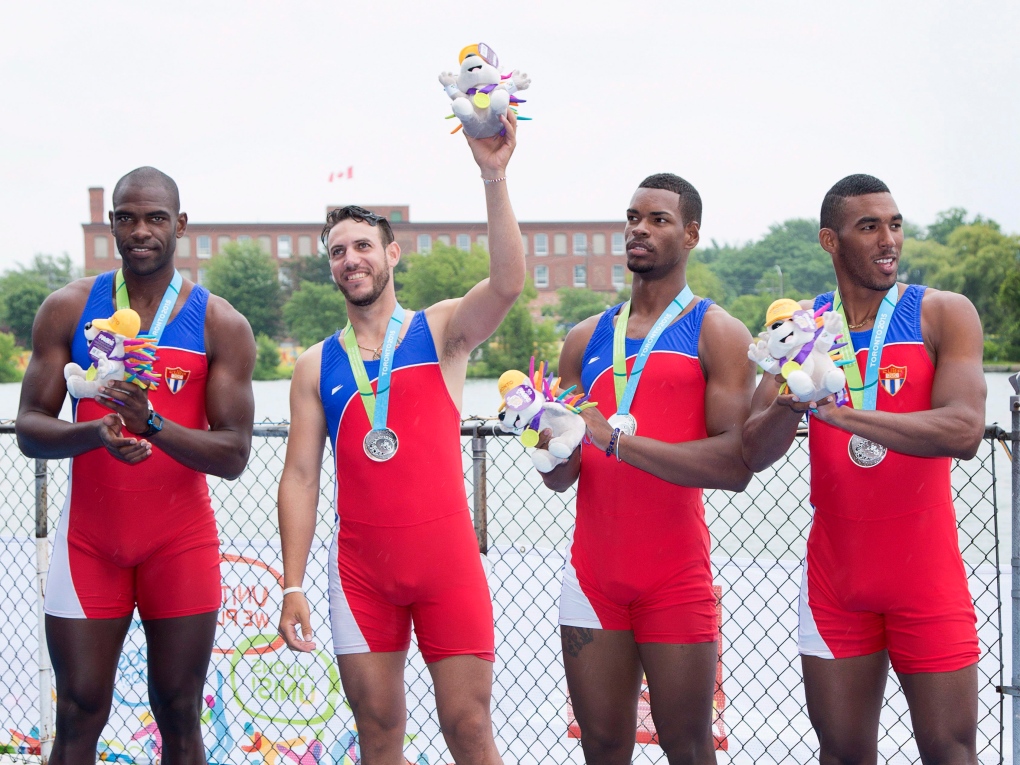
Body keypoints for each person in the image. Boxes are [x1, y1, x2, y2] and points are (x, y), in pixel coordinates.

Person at [277, 113, 523, 765]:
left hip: (446, 564)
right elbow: (300, 476)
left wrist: (493, 174)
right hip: (361, 573)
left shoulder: (439, 332)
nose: (350, 259)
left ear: (391, 253)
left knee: (468, 728)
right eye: (337, 251)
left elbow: (506, 283)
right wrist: (291, 583)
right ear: (329, 267)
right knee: (379, 734)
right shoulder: (314, 365)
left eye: (362, 245)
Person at [16, 166, 256, 765]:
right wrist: (96, 432)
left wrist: (152, 425)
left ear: (180, 224)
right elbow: (28, 429)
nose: (140, 230)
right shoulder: (69, 308)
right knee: (78, 710)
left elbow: (233, 455)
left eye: (154, 218)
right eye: (127, 217)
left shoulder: (220, 322)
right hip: (89, 544)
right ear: (112, 225)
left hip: (180, 543)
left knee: (179, 713)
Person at [742, 174, 985, 764]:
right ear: (830, 240)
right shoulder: (799, 328)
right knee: (843, 753)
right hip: (836, 580)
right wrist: (788, 404)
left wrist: (848, 417)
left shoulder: (942, 313)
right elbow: (750, 451)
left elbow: (964, 431)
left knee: (950, 751)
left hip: (926, 575)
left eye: (895, 225)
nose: (888, 241)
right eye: (869, 226)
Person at [539, 173, 755, 765]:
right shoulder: (583, 339)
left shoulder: (718, 332)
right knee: (603, 747)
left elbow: (734, 465)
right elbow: (561, 478)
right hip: (592, 577)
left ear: (690, 235)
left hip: (674, 578)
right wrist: (548, 444)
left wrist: (615, 442)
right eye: (633, 217)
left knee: (687, 746)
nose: (639, 228)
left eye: (658, 219)